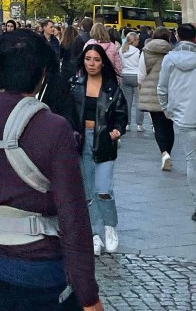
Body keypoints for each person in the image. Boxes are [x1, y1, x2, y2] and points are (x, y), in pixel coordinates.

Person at [0, 29, 103, 311]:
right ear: (42, 74)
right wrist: (88, 294)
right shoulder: (54, 127)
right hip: (40, 268)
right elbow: (73, 213)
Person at [71, 43, 128, 255]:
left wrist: (117, 130)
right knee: (87, 192)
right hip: (81, 140)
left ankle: (109, 226)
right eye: (88, 59)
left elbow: (121, 115)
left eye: (96, 59)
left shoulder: (112, 88)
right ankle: (94, 233)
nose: (92, 64)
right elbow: (68, 113)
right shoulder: (75, 85)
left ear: (103, 62)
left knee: (103, 190)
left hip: (104, 139)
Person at [157, 22, 196, 222]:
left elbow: (162, 87)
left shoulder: (169, 59)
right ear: (195, 38)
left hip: (184, 116)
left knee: (192, 162)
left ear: (177, 37)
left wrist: (166, 108)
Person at [138, 25, 175, 171]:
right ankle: (169, 152)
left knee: (158, 125)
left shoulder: (146, 51)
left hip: (152, 92)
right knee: (169, 125)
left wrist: (141, 87)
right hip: (170, 92)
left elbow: (141, 74)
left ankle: (164, 153)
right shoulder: (172, 51)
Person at [119, 31, 147, 132]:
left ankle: (127, 123)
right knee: (139, 101)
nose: (139, 41)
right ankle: (139, 124)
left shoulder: (121, 50)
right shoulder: (138, 51)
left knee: (127, 101)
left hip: (125, 75)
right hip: (136, 75)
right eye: (137, 40)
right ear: (134, 41)